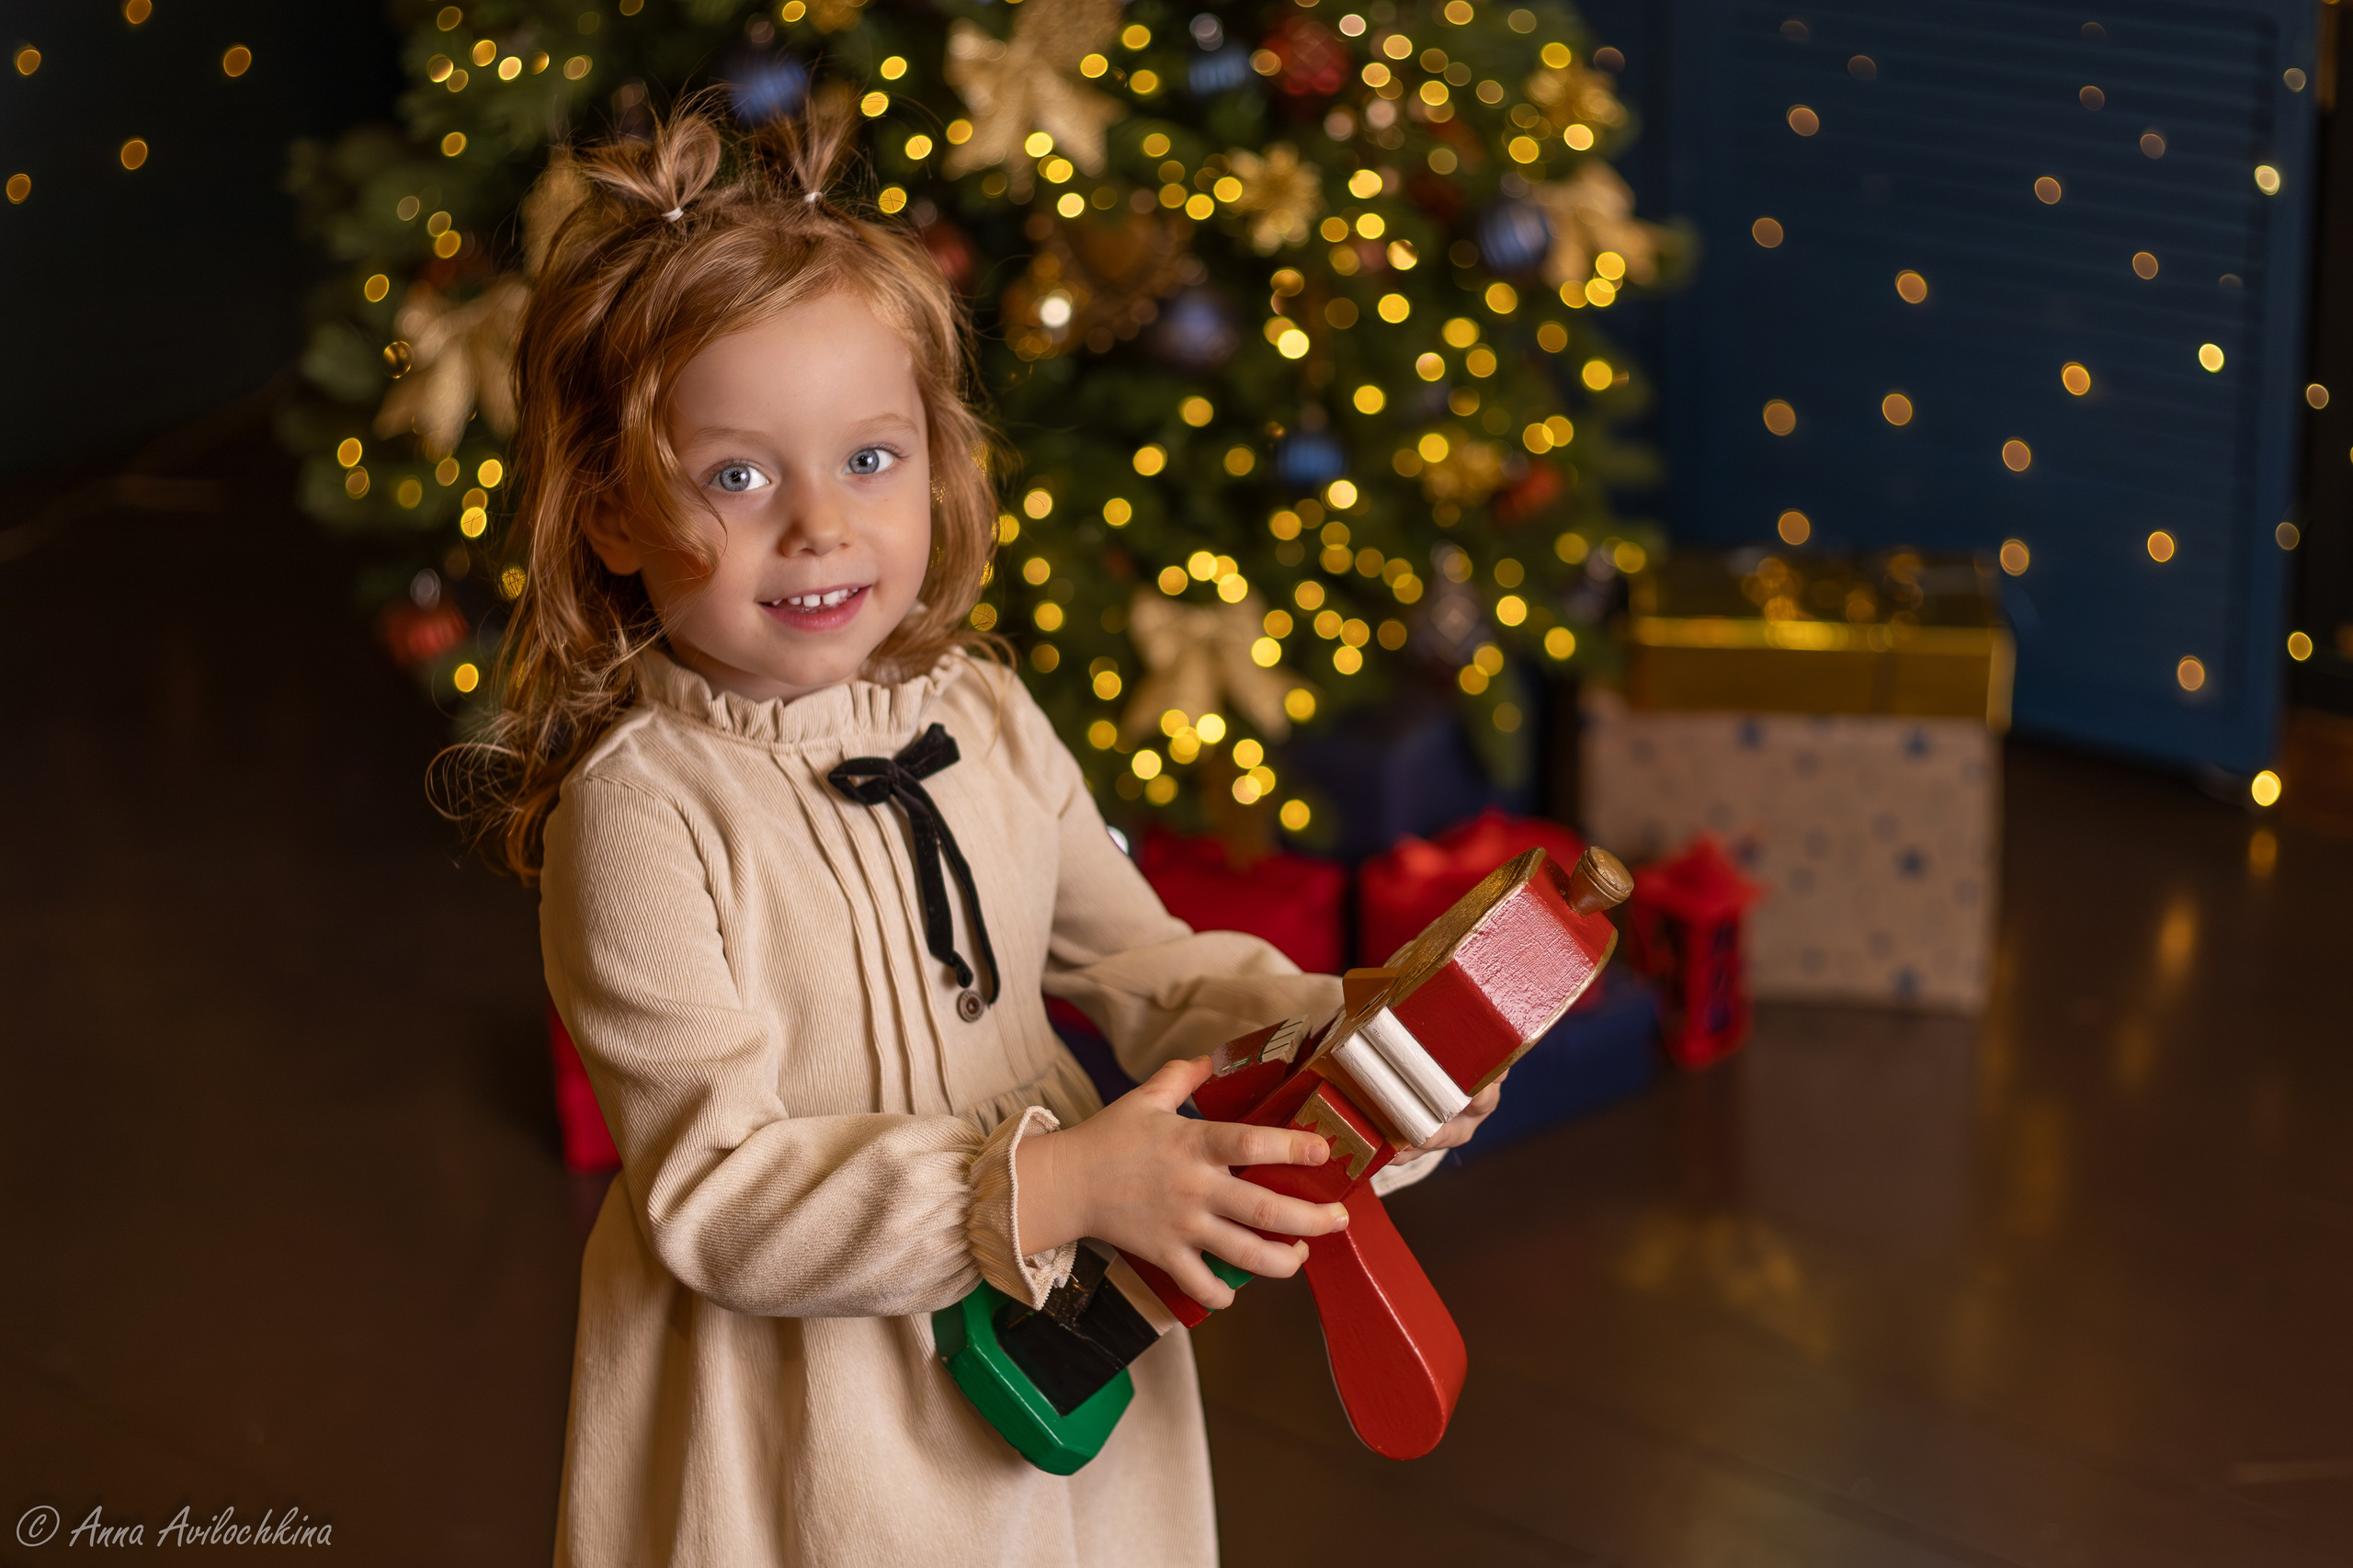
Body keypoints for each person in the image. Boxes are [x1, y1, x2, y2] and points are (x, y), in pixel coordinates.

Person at [450, 102, 1504, 1567]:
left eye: (869, 459)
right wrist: (1045, 1186)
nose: (820, 525)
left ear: (936, 462)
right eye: (739, 475)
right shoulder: (642, 816)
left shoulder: (985, 717)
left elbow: (1145, 962)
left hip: (1057, 1334)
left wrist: (1338, 1038)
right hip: (808, 1405)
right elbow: (714, 1191)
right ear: (614, 510)